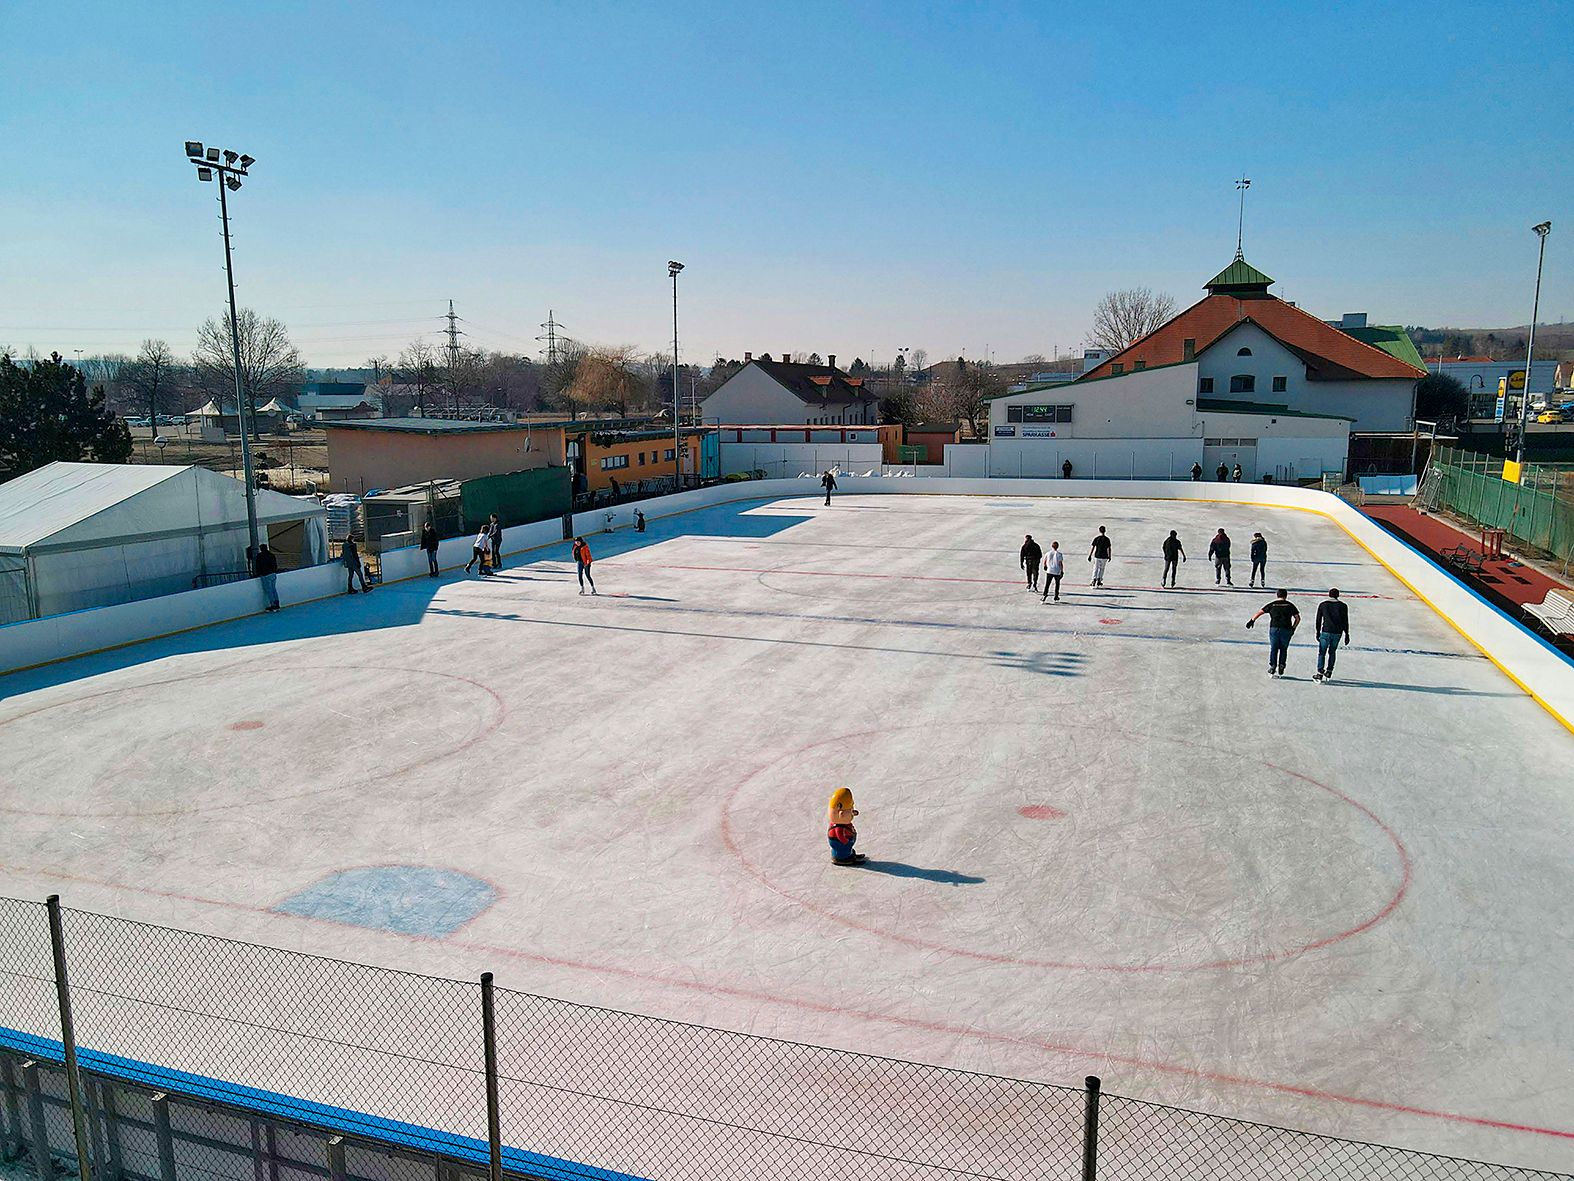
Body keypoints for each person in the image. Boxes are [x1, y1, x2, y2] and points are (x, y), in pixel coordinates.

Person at [1247, 589, 1301, 678]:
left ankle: (1273, 666)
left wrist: (1252, 620)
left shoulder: (1272, 604)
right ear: (1286, 596)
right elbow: (1297, 618)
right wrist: (1293, 628)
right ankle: (1282, 665)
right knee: (1283, 649)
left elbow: (1260, 612)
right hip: (1286, 629)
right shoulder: (1290, 605)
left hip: (1274, 629)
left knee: (1274, 648)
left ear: (1277, 595)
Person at [1314, 588, 1351, 683]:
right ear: (1338, 595)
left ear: (1329, 595)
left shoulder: (1323, 605)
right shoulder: (1343, 606)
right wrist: (1347, 634)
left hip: (1326, 631)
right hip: (1337, 632)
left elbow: (1318, 620)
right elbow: (1345, 621)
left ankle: (1320, 672)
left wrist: (1317, 632)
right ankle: (1329, 671)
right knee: (1332, 652)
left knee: (1322, 652)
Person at [827, 786, 865, 866]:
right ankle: (843, 858)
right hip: (841, 845)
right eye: (850, 810)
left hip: (846, 844)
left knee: (847, 850)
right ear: (841, 814)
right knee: (844, 851)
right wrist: (846, 841)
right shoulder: (838, 828)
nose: (852, 812)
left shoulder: (842, 823)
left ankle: (851, 854)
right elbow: (840, 835)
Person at [254, 544, 280, 612]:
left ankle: (273, 605)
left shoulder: (260, 556)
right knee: (273, 589)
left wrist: (258, 573)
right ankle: (277, 604)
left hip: (265, 575)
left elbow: (258, 566)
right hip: (273, 574)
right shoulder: (271, 555)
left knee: (269, 590)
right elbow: (275, 564)